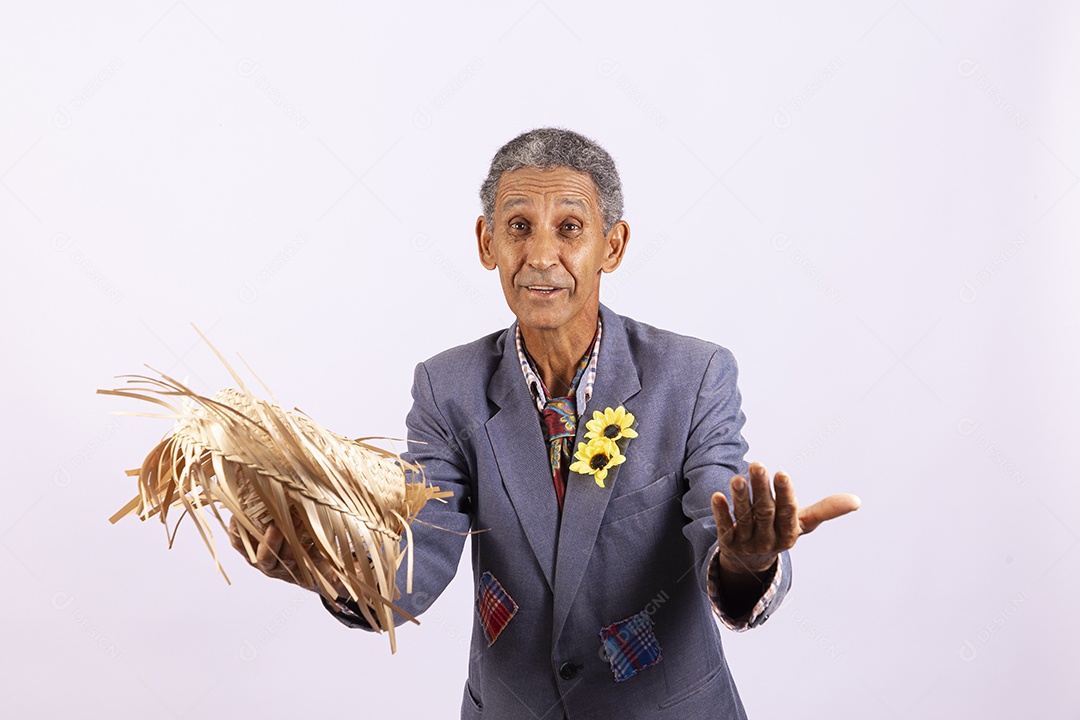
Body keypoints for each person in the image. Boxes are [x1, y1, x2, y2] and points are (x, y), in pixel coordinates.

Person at [229, 128, 860, 718]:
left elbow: (716, 524)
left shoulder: (694, 375)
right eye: (520, 226)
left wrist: (747, 562)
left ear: (611, 245)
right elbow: (420, 550)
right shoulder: (447, 388)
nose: (540, 256)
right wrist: (333, 567)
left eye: (570, 228)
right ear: (487, 242)